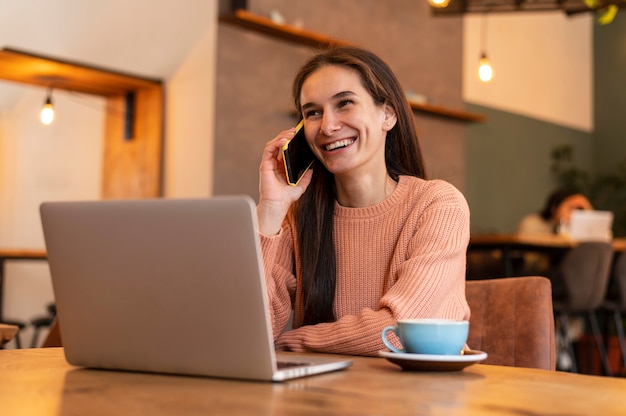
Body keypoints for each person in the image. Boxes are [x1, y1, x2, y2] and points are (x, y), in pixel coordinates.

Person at [256, 46, 470, 356]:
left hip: (417, 398)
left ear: (388, 114)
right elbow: (248, 329)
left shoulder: (437, 205)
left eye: (344, 104)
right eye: (313, 112)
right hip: (324, 398)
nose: (328, 126)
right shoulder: (298, 218)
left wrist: (290, 342)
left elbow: (398, 333)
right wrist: (271, 210)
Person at [517, 188, 593, 238]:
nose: (574, 214)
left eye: (578, 209)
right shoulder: (532, 223)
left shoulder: (576, 227)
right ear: (554, 208)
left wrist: (587, 209)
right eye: (570, 208)